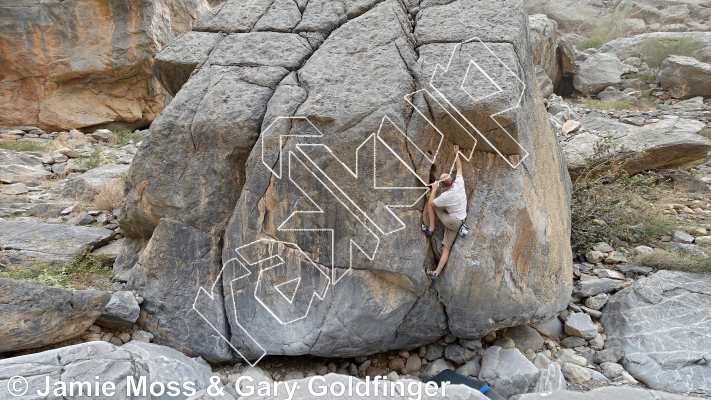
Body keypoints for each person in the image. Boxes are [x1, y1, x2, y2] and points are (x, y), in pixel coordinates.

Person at [421, 145, 469, 280]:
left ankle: (431, 228)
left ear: (442, 185)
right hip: (459, 222)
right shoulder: (459, 183)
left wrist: (434, 189)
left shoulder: (446, 196)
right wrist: (456, 153)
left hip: (451, 221)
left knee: (432, 204)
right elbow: (459, 168)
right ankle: (435, 273)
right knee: (445, 248)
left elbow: (431, 203)